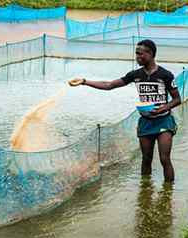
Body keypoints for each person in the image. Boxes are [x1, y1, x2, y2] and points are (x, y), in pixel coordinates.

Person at [69, 39, 181, 182]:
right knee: (146, 159)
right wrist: (84, 81)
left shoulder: (165, 75)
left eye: (140, 54)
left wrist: (163, 108)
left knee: (164, 159)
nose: (137, 57)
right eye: (136, 54)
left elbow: (177, 99)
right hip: (146, 122)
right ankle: (145, 191)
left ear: (151, 54)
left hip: (164, 121)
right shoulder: (135, 75)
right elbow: (109, 85)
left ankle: (168, 194)